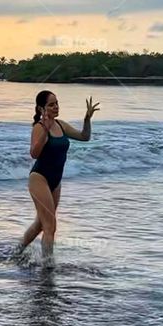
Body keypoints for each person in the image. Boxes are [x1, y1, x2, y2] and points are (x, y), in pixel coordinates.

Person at [17, 90, 99, 262]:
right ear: (41, 108)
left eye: (56, 103)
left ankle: (17, 251)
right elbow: (33, 153)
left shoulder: (61, 125)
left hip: (55, 181)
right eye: (51, 105)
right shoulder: (39, 127)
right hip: (39, 178)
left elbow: (85, 137)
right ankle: (48, 265)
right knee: (50, 226)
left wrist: (87, 119)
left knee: (41, 224)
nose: (55, 107)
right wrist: (45, 132)